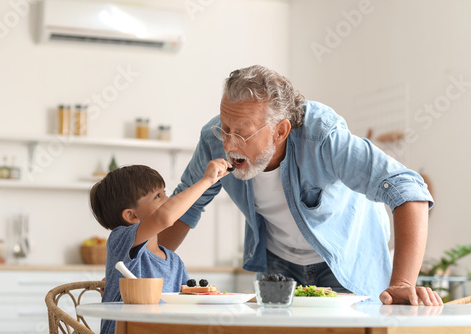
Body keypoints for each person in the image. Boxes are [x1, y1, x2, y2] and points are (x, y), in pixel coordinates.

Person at [159, 64, 443, 306]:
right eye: (225, 128)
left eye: (242, 134)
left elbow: (407, 188)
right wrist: (144, 271)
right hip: (279, 265)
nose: (229, 144)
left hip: (345, 261)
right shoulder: (214, 140)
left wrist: (404, 282)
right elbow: (181, 210)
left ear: (281, 131)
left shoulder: (322, 137)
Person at [90, 161, 231, 334]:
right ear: (132, 215)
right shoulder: (120, 239)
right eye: (158, 196)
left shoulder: (174, 261)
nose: (168, 199)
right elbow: (164, 218)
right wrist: (207, 181)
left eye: (164, 193)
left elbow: (188, 304)